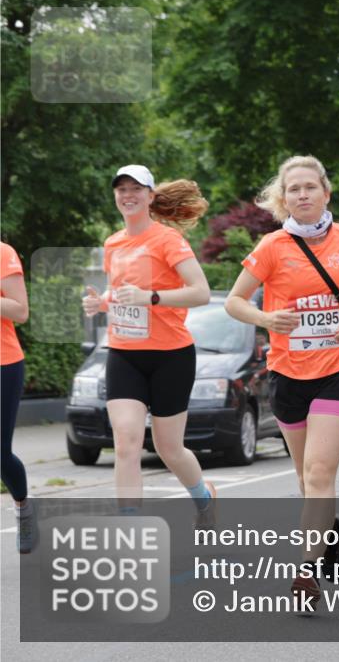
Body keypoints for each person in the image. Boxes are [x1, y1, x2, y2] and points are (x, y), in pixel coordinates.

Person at [224, 155, 339, 612]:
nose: (303, 194)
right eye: (294, 189)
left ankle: (306, 571)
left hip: (338, 368)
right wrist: (267, 318)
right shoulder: (272, 246)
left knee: (320, 473)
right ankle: (330, 531)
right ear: (283, 198)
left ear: (326, 192)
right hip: (289, 373)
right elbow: (234, 301)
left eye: (310, 186)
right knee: (308, 481)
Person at [82, 165, 214, 522]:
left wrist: (151, 297)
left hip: (171, 356)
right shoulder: (112, 243)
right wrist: (101, 303)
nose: (128, 195)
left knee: (169, 448)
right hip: (124, 353)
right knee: (125, 442)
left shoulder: (167, 240)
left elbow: (200, 292)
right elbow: (122, 292)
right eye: (121, 189)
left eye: (136, 189)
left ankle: (204, 498)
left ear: (151, 196)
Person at [1, 241, 33, 552]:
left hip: (3, 363)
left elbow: (20, 310)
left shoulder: (3, 253)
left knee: (0, 454)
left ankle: (24, 509)